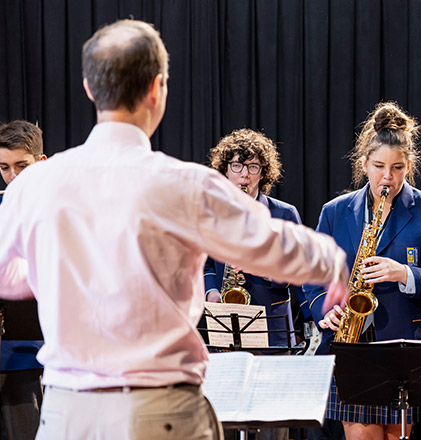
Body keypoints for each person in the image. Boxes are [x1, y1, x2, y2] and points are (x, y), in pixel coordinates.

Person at [0, 19, 348, 440]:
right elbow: (275, 247)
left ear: (90, 89)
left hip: (65, 414)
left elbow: (6, 277)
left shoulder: (32, 185)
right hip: (159, 410)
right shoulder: (185, 184)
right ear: (157, 88)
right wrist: (331, 260)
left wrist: (59, 269)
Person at [306, 101, 421, 440]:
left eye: (397, 168)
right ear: (363, 164)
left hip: (407, 346)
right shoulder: (335, 211)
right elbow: (313, 273)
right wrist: (323, 308)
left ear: (409, 166)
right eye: (378, 166)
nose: (387, 177)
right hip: (351, 343)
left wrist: (404, 274)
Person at [204, 128, 301, 349]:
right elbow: (206, 262)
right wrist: (212, 292)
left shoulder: (285, 214)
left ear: (263, 173)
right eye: (237, 166)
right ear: (225, 171)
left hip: (272, 323)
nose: (244, 174)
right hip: (225, 323)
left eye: (253, 167)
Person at [0, 120, 46, 440]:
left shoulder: (58, 211)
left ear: (41, 163)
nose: (12, 176)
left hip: (50, 349)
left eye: (21, 166)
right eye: (3, 167)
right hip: (9, 352)